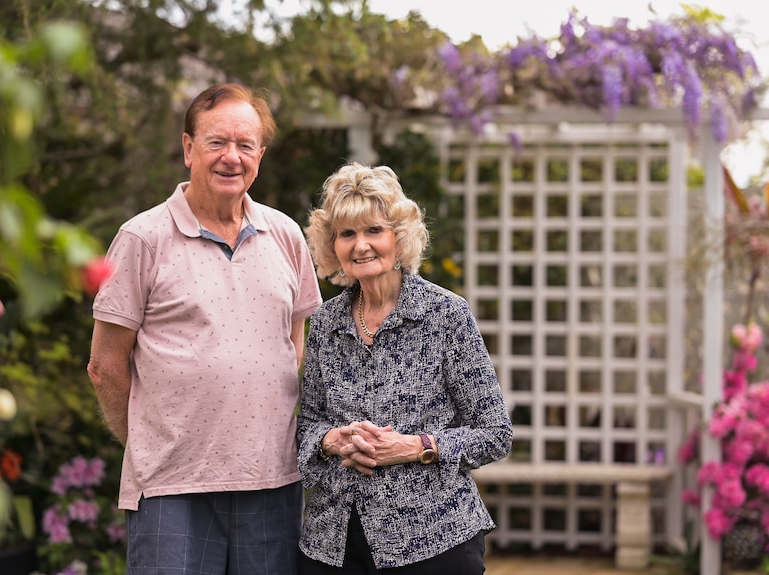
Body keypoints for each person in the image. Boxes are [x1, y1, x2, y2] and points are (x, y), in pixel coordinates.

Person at [87, 83, 323, 575]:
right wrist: (153, 446)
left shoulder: (286, 235)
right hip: (172, 489)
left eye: (245, 144)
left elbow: (296, 350)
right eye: (217, 142)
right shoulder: (142, 238)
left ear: (260, 154)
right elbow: (105, 367)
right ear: (189, 148)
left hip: (272, 484)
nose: (231, 157)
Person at [296, 162, 512, 574]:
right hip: (334, 544)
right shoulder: (325, 323)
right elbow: (306, 424)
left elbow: (495, 434)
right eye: (347, 234)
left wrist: (416, 448)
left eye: (374, 230)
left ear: (399, 236)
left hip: (433, 542)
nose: (361, 246)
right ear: (333, 246)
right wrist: (332, 441)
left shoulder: (445, 315)